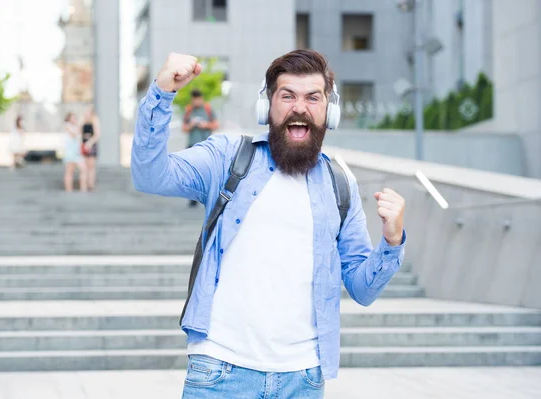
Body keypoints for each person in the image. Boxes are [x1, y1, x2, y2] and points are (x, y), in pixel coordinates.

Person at [131, 50, 407, 399]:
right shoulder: (227, 157)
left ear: (329, 112)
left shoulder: (341, 185)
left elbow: (362, 290)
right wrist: (161, 93)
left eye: (313, 97)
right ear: (267, 106)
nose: (299, 107)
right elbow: (149, 176)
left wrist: (392, 240)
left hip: (303, 379)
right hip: (219, 371)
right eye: (287, 95)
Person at [182, 89, 219, 207]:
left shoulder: (207, 109)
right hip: (192, 145)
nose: (196, 101)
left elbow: (216, 125)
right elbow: (184, 128)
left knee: (207, 172)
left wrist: (205, 125)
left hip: (206, 145)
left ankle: (207, 196)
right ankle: (193, 198)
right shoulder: (189, 110)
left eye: (198, 99)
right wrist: (191, 125)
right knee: (192, 173)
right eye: (194, 99)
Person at [62, 112, 88, 192]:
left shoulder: (75, 126)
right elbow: (74, 134)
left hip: (76, 151)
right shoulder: (67, 125)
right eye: (72, 117)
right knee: (69, 171)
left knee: (83, 169)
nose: (74, 119)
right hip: (70, 151)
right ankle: (68, 190)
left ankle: (83, 188)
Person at [81, 107, 101, 190]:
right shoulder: (83, 121)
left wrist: (90, 143)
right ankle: (84, 185)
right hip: (84, 144)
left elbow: (97, 135)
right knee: (85, 166)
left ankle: (91, 185)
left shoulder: (95, 121)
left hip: (91, 144)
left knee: (91, 166)